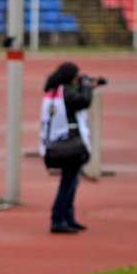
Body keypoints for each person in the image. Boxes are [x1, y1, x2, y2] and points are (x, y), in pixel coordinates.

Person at [39, 61, 99, 234]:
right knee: (69, 181)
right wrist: (87, 87)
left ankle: (68, 217)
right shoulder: (66, 92)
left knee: (71, 180)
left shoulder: (55, 91)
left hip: (58, 142)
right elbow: (84, 101)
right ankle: (58, 218)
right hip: (68, 144)